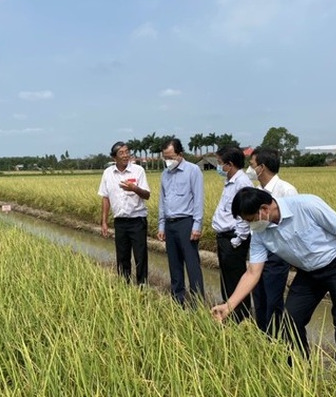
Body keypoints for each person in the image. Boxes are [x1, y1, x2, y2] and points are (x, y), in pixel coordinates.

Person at [211, 187, 336, 373]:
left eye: (250, 220)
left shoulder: (307, 204)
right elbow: (252, 273)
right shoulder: (261, 233)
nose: (250, 225)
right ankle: (301, 371)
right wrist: (228, 305)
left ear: (264, 209)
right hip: (308, 273)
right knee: (291, 320)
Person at [247, 147, 298, 334]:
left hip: (277, 253)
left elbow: (292, 226)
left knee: (273, 300)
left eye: (252, 165)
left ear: (262, 167)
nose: (250, 169)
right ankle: (263, 337)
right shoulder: (255, 191)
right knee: (259, 297)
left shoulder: (286, 190)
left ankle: (276, 341)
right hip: (258, 250)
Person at [157, 138, 205, 306]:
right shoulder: (165, 174)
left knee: (192, 265)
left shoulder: (193, 171)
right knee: (174, 266)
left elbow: (198, 199)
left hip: (187, 223)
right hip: (170, 224)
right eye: (165, 157)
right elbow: (162, 201)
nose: (168, 161)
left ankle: (197, 304)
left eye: (171, 157)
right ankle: (178, 302)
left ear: (180, 154)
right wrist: (161, 225)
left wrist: (197, 225)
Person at [98, 141, 151, 285]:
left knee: (140, 257)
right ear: (114, 157)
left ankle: (142, 287)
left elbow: (146, 195)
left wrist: (134, 188)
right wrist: (104, 222)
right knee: (122, 257)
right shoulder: (108, 173)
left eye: (127, 152)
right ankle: (124, 286)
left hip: (137, 221)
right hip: (120, 222)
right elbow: (105, 197)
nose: (125, 155)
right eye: (121, 153)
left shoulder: (138, 170)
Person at [211, 146, 252, 322]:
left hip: (232, 238)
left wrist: (238, 240)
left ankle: (240, 318)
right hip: (225, 238)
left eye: (220, 163)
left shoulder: (242, 183)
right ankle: (227, 313)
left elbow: (245, 215)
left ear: (230, 164)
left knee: (236, 280)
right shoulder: (230, 181)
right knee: (227, 280)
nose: (218, 167)